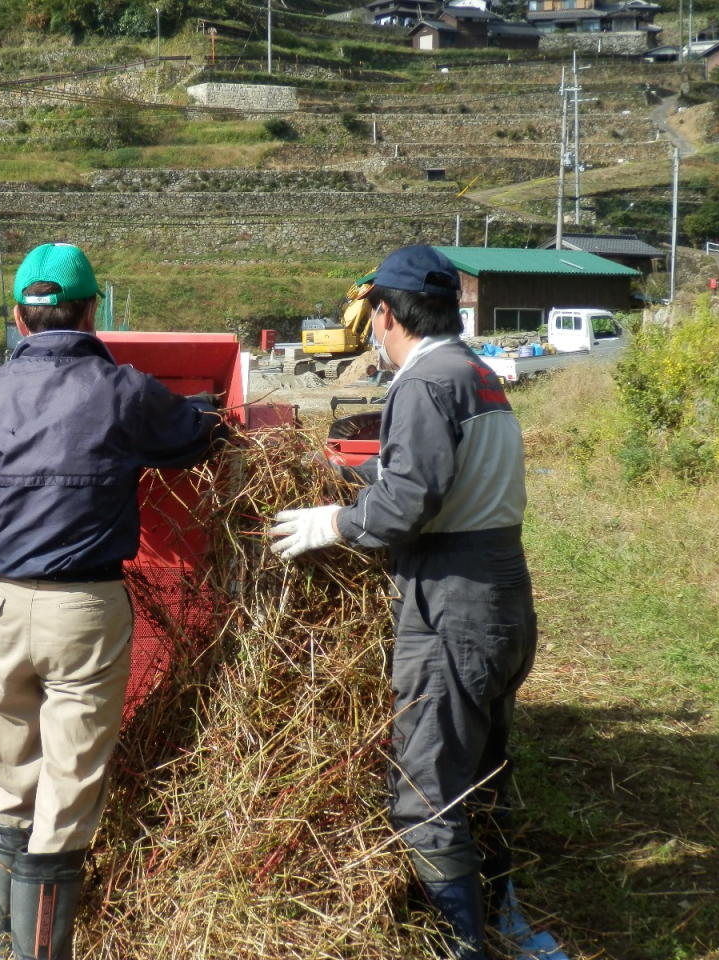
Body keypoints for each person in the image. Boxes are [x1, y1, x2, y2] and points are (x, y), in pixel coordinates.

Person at [269, 245, 566, 960]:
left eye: (373, 316)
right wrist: (343, 472)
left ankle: (461, 945)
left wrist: (331, 522)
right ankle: (501, 918)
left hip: (450, 606)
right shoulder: (477, 375)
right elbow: (427, 462)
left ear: (384, 314)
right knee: (483, 772)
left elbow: (404, 506)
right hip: (503, 599)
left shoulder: (421, 382)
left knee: (426, 792)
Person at [0, 242, 226, 960]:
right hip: (82, 609)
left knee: (11, 777)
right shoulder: (123, 390)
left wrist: (8, 541)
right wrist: (205, 413)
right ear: (93, 310)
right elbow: (196, 436)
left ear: (18, 316)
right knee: (67, 798)